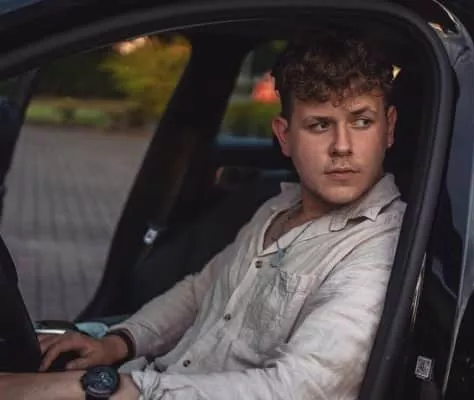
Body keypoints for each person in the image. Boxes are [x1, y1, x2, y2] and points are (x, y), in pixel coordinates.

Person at [0, 31, 406, 399]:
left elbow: (294, 389)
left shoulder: (381, 248)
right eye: (319, 125)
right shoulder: (277, 208)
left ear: (388, 128)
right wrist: (118, 343)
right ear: (285, 136)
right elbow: (201, 291)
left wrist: (107, 389)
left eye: (362, 122)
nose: (342, 146)